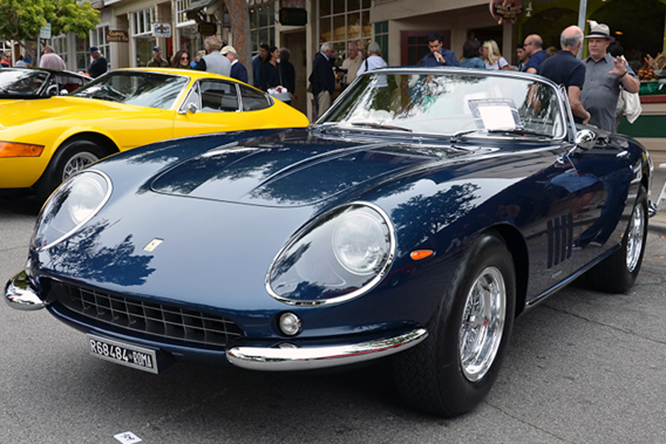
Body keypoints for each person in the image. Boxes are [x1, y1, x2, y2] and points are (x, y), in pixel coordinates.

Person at [580, 21, 639, 133]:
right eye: (591, 41)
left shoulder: (616, 64)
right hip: (578, 125)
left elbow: (635, 88)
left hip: (604, 127)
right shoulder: (580, 65)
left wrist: (623, 74)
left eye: (598, 41)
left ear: (607, 43)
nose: (593, 44)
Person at [539, 25, 591, 125]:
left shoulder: (544, 64)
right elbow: (573, 103)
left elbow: (534, 100)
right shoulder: (577, 66)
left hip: (545, 122)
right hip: (566, 124)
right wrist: (586, 115)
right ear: (579, 44)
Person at [309, 43, 336, 117]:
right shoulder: (321, 60)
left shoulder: (320, 59)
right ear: (327, 51)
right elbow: (323, 75)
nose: (331, 53)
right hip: (323, 90)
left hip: (320, 89)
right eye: (330, 52)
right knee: (323, 112)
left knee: (321, 110)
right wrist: (327, 89)